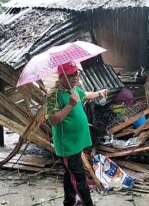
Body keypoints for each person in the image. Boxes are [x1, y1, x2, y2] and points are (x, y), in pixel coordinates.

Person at [46, 62, 108, 206]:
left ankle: (69, 201)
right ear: (61, 77)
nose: (74, 78)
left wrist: (100, 93)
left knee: (70, 175)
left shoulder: (73, 89)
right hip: (67, 145)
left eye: (75, 74)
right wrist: (70, 105)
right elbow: (53, 120)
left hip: (76, 143)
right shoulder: (53, 94)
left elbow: (86, 95)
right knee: (79, 178)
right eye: (70, 75)